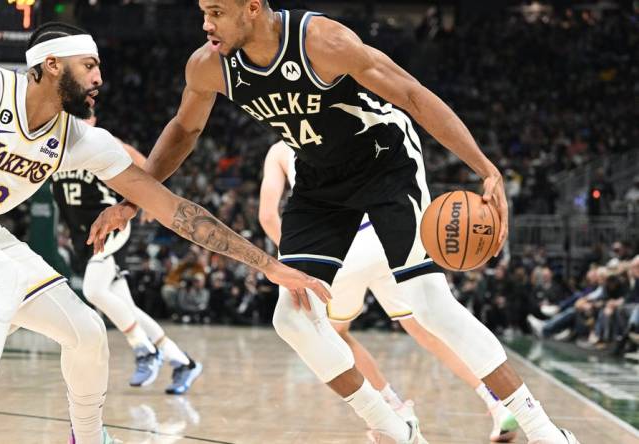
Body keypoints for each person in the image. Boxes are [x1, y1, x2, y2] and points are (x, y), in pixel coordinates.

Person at [89, 3, 579, 442]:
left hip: (385, 159)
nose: (206, 24)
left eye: (216, 12)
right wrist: (133, 200)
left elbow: (411, 93)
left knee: (428, 303)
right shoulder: (209, 65)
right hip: (320, 177)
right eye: (203, 12)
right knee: (292, 317)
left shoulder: (322, 41)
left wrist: (486, 169)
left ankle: (542, 430)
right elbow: (184, 128)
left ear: (253, 9)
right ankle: (393, 426)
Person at [0, 21, 329, 444]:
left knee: (86, 331)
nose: (100, 78)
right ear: (52, 64)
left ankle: (88, 437)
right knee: (0, 280)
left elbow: (175, 210)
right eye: (90, 65)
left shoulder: (79, 139)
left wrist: (270, 266)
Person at [259, 140, 519, 442]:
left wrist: (299, 263)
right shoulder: (338, 122)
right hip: (382, 234)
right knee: (426, 328)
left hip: (337, 247)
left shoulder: (279, 150)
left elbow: (267, 215)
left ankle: (395, 409)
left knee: (336, 333)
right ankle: (496, 403)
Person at [51, 110, 203, 394]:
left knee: (94, 291)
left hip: (111, 228)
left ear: (95, 120)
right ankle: (183, 362)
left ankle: (144, 350)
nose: (82, 121)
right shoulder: (52, 149)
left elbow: (148, 166)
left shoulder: (105, 142)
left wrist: (147, 201)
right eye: (75, 117)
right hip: (82, 237)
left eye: (87, 117)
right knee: (125, 306)